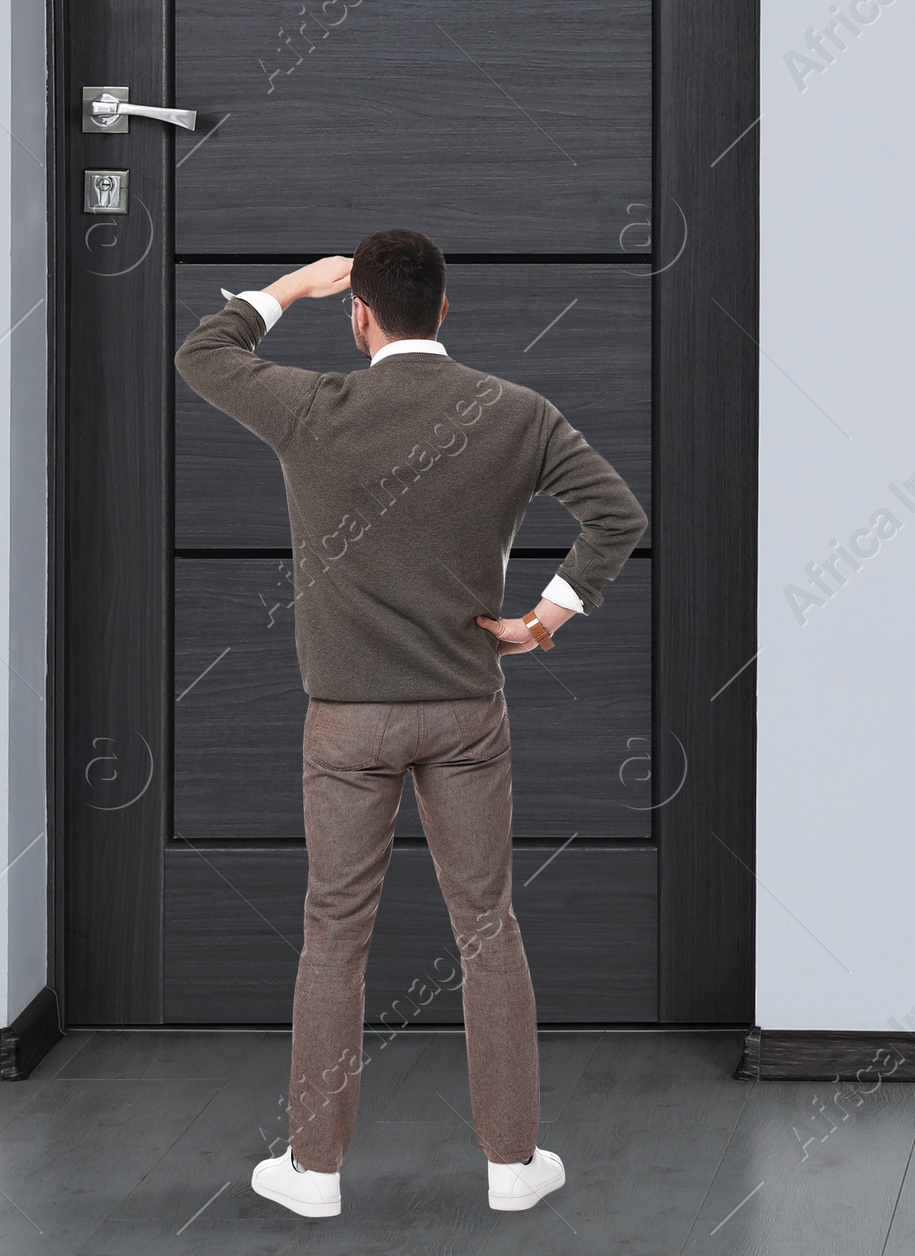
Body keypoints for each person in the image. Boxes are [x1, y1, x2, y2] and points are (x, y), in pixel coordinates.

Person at [173, 227, 648, 1221]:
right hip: (466, 712)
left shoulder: (313, 406)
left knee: (333, 936)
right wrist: (543, 622)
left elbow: (203, 354)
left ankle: (312, 1172)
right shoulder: (516, 412)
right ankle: (513, 1166)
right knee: (486, 928)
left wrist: (293, 286)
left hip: (345, 724)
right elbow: (616, 516)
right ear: (445, 309)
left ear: (360, 316)